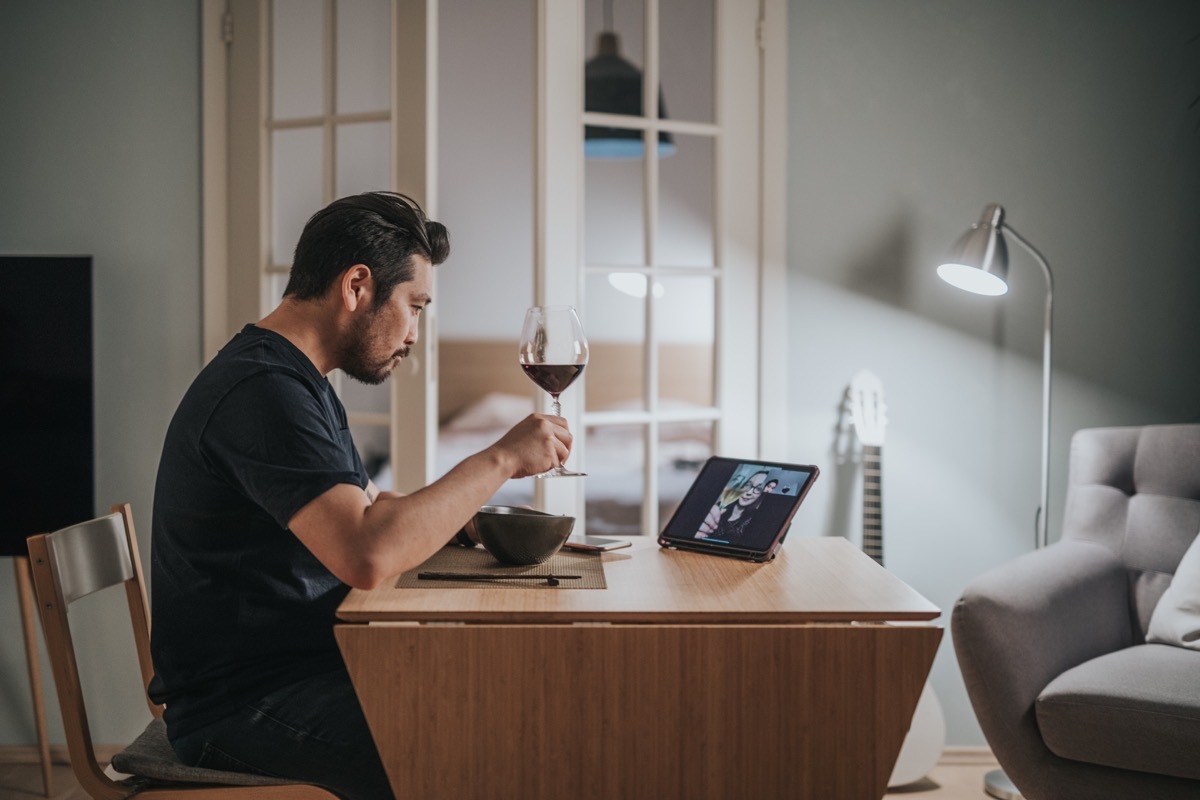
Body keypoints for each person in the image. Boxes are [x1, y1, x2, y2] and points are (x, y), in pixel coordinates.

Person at [148, 192, 571, 800]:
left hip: (300, 672)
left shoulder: (300, 380)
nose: (415, 334)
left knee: (501, 698)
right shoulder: (263, 390)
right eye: (415, 306)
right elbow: (367, 553)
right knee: (491, 741)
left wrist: (468, 522)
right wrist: (500, 458)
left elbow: (378, 509)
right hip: (244, 708)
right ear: (356, 286)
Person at [695, 468, 769, 542]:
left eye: (758, 489)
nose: (748, 492)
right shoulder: (719, 506)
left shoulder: (754, 523)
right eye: (748, 485)